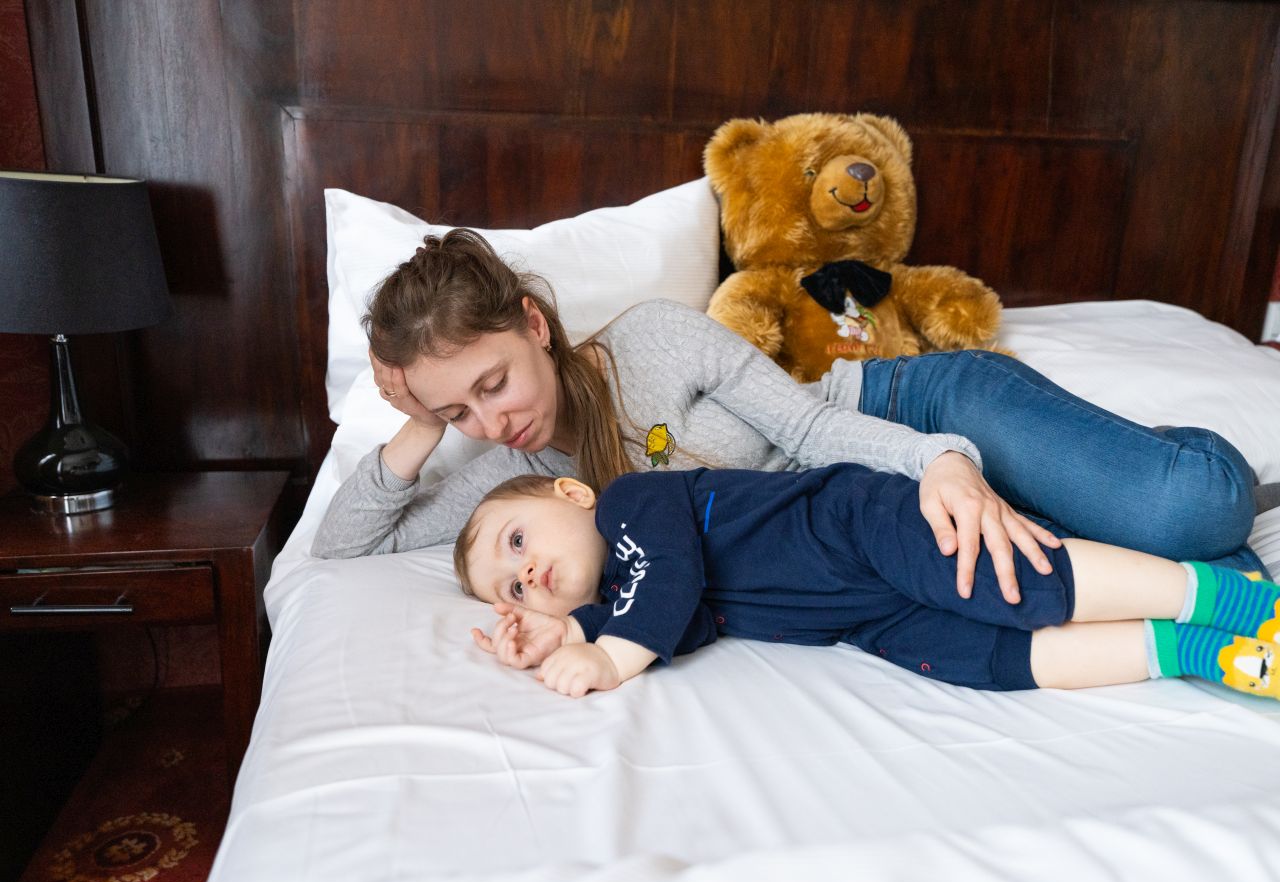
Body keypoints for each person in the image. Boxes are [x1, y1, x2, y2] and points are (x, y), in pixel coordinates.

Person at [312, 229, 1268, 602]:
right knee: (1114, 565)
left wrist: (940, 457)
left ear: (533, 324)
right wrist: (419, 424)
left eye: (493, 384)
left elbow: (808, 433)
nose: (490, 421)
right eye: (459, 409)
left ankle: (1173, 454)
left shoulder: (650, 341)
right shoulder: (511, 483)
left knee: (1189, 513)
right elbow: (343, 547)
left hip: (911, 410)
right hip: (870, 513)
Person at [455, 467, 1280, 700]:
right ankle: (1196, 653)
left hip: (856, 527)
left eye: (516, 541)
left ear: (572, 493)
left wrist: (606, 655)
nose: (524, 573)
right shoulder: (625, 599)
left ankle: (1229, 599)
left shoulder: (631, 505)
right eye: (514, 589)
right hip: (857, 615)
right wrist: (572, 630)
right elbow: (686, 618)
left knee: (1007, 584)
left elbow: (670, 574)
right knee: (988, 660)